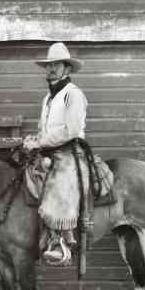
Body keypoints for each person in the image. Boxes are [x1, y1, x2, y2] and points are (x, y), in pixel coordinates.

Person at [23, 42, 89, 265]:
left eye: (56, 65)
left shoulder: (73, 95)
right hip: (49, 150)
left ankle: (61, 242)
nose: (51, 69)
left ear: (67, 69)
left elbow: (71, 130)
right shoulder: (48, 98)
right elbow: (45, 129)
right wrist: (34, 140)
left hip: (70, 151)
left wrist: (40, 142)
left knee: (58, 181)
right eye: (48, 65)